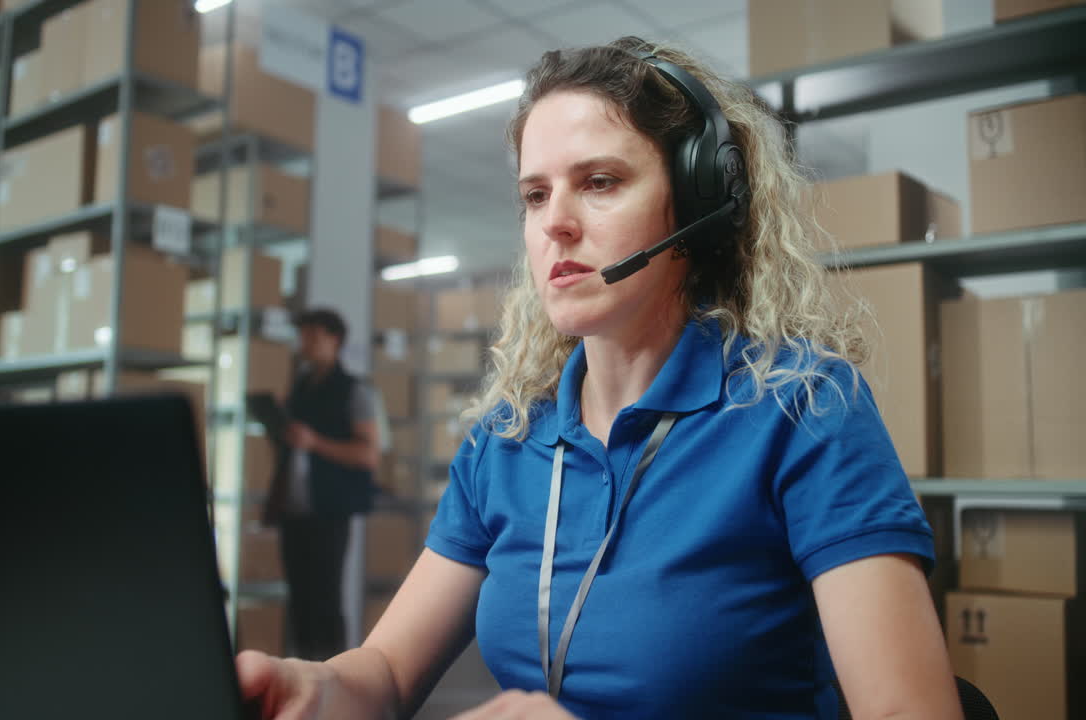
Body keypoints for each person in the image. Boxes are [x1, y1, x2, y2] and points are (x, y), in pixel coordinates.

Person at [239, 37, 961, 719]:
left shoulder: (801, 410)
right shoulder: (507, 439)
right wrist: (316, 686)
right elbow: (389, 675)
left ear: (699, 203)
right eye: (534, 195)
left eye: (600, 183)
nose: (556, 223)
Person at [264, 308, 379, 661]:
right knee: (300, 600)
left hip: (330, 511)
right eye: (303, 336)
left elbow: (367, 455)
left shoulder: (353, 390)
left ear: (336, 341)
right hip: (294, 509)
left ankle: (332, 676)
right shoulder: (300, 386)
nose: (305, 344)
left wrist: (315, 443)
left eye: (314, 336)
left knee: (326, 599)